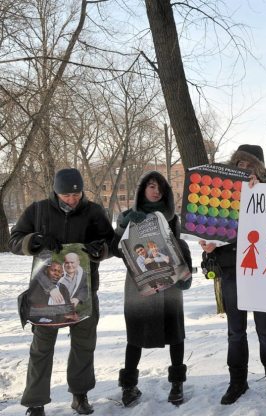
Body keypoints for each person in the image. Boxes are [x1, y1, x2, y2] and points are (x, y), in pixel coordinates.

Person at [10, 168, 114, 416]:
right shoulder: (38, 210)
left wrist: (99, 249)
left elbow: (111, 243)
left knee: (83, 345)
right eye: (66, 195)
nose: (72, 200)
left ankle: (80, 395)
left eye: (76, 195)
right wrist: (36, 240)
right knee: (41, 347)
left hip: (84, 291)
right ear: (56, 192)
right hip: (45, 294)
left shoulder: (95, 212)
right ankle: (35, 403)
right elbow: (14, 240)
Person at [200, 144, 266, 405]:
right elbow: (211, 229)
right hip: (230, 269)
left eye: (251, 166)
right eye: (241, 165)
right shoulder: (221, 194)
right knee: (235, 331)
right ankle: (237, 381)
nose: (245, 170)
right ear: (234, 166)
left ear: (259, 170)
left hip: (261, 271)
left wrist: (260, 191)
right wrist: (210, 243)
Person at [111, 172, 193, 407]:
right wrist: (125, 224)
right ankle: (128, 386)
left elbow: (177, 245)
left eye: (161, 188)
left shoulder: (172, 218)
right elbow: (116, 249)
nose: (156, 191)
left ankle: (177, 384)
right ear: (142, 190)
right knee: (135, 334)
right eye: (151, 186)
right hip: (141, 284)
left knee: (176, 333)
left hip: (169, 284)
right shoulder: (130, 217)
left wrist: (184, 270)